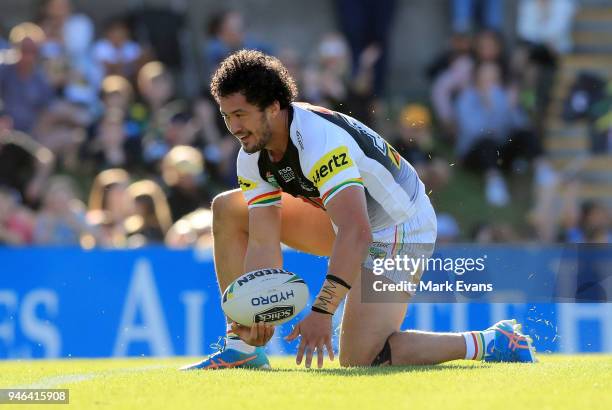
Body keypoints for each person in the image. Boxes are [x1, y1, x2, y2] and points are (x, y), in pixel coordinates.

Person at [182, 50, 536, 370]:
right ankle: (241, 347)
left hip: (401, 228)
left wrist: (323, 311)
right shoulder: (252, 154)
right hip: (347, 218)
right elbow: (262, 240)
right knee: (229, 208)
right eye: (227, 116)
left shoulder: (318, 141)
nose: (234, 128)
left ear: (273, 106)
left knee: (361, 358)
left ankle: (493, 341)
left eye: (241, 114)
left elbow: (357, 232)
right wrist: (256, 314)